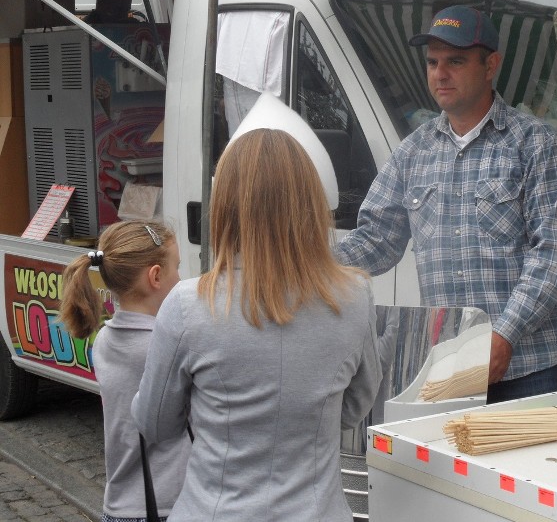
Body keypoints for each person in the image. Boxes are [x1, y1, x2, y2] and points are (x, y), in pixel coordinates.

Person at [131, 128, 381, 521]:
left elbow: (155, 424)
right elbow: (353, 409)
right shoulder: (355, 296)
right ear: (311, 202)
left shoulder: (188, 305)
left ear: (226, 204)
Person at [336, 5, 557, 403]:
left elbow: (551, 253)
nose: (440, 74)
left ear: (490, 66)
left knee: (527, 467)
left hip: (525, 367)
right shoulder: (413, 152)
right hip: (445, 367)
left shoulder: (536, 145)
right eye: (432, 62)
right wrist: (302, 259)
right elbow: (377, 241)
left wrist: (505, 334)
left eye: (455, 61)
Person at [59, 220, 189, 522]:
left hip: (120, 504)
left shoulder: (105, 339)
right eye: (177, 268)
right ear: (155, 276)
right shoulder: (163, 346)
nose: (181, 278)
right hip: (165, 506)